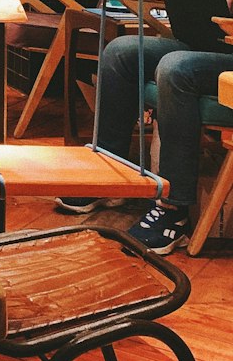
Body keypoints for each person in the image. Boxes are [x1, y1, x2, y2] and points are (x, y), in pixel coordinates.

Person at [56, 33, 233, 254]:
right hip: (209, 44)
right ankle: (111, 178)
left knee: (174, 68)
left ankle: (174, 210)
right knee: (120, 52)